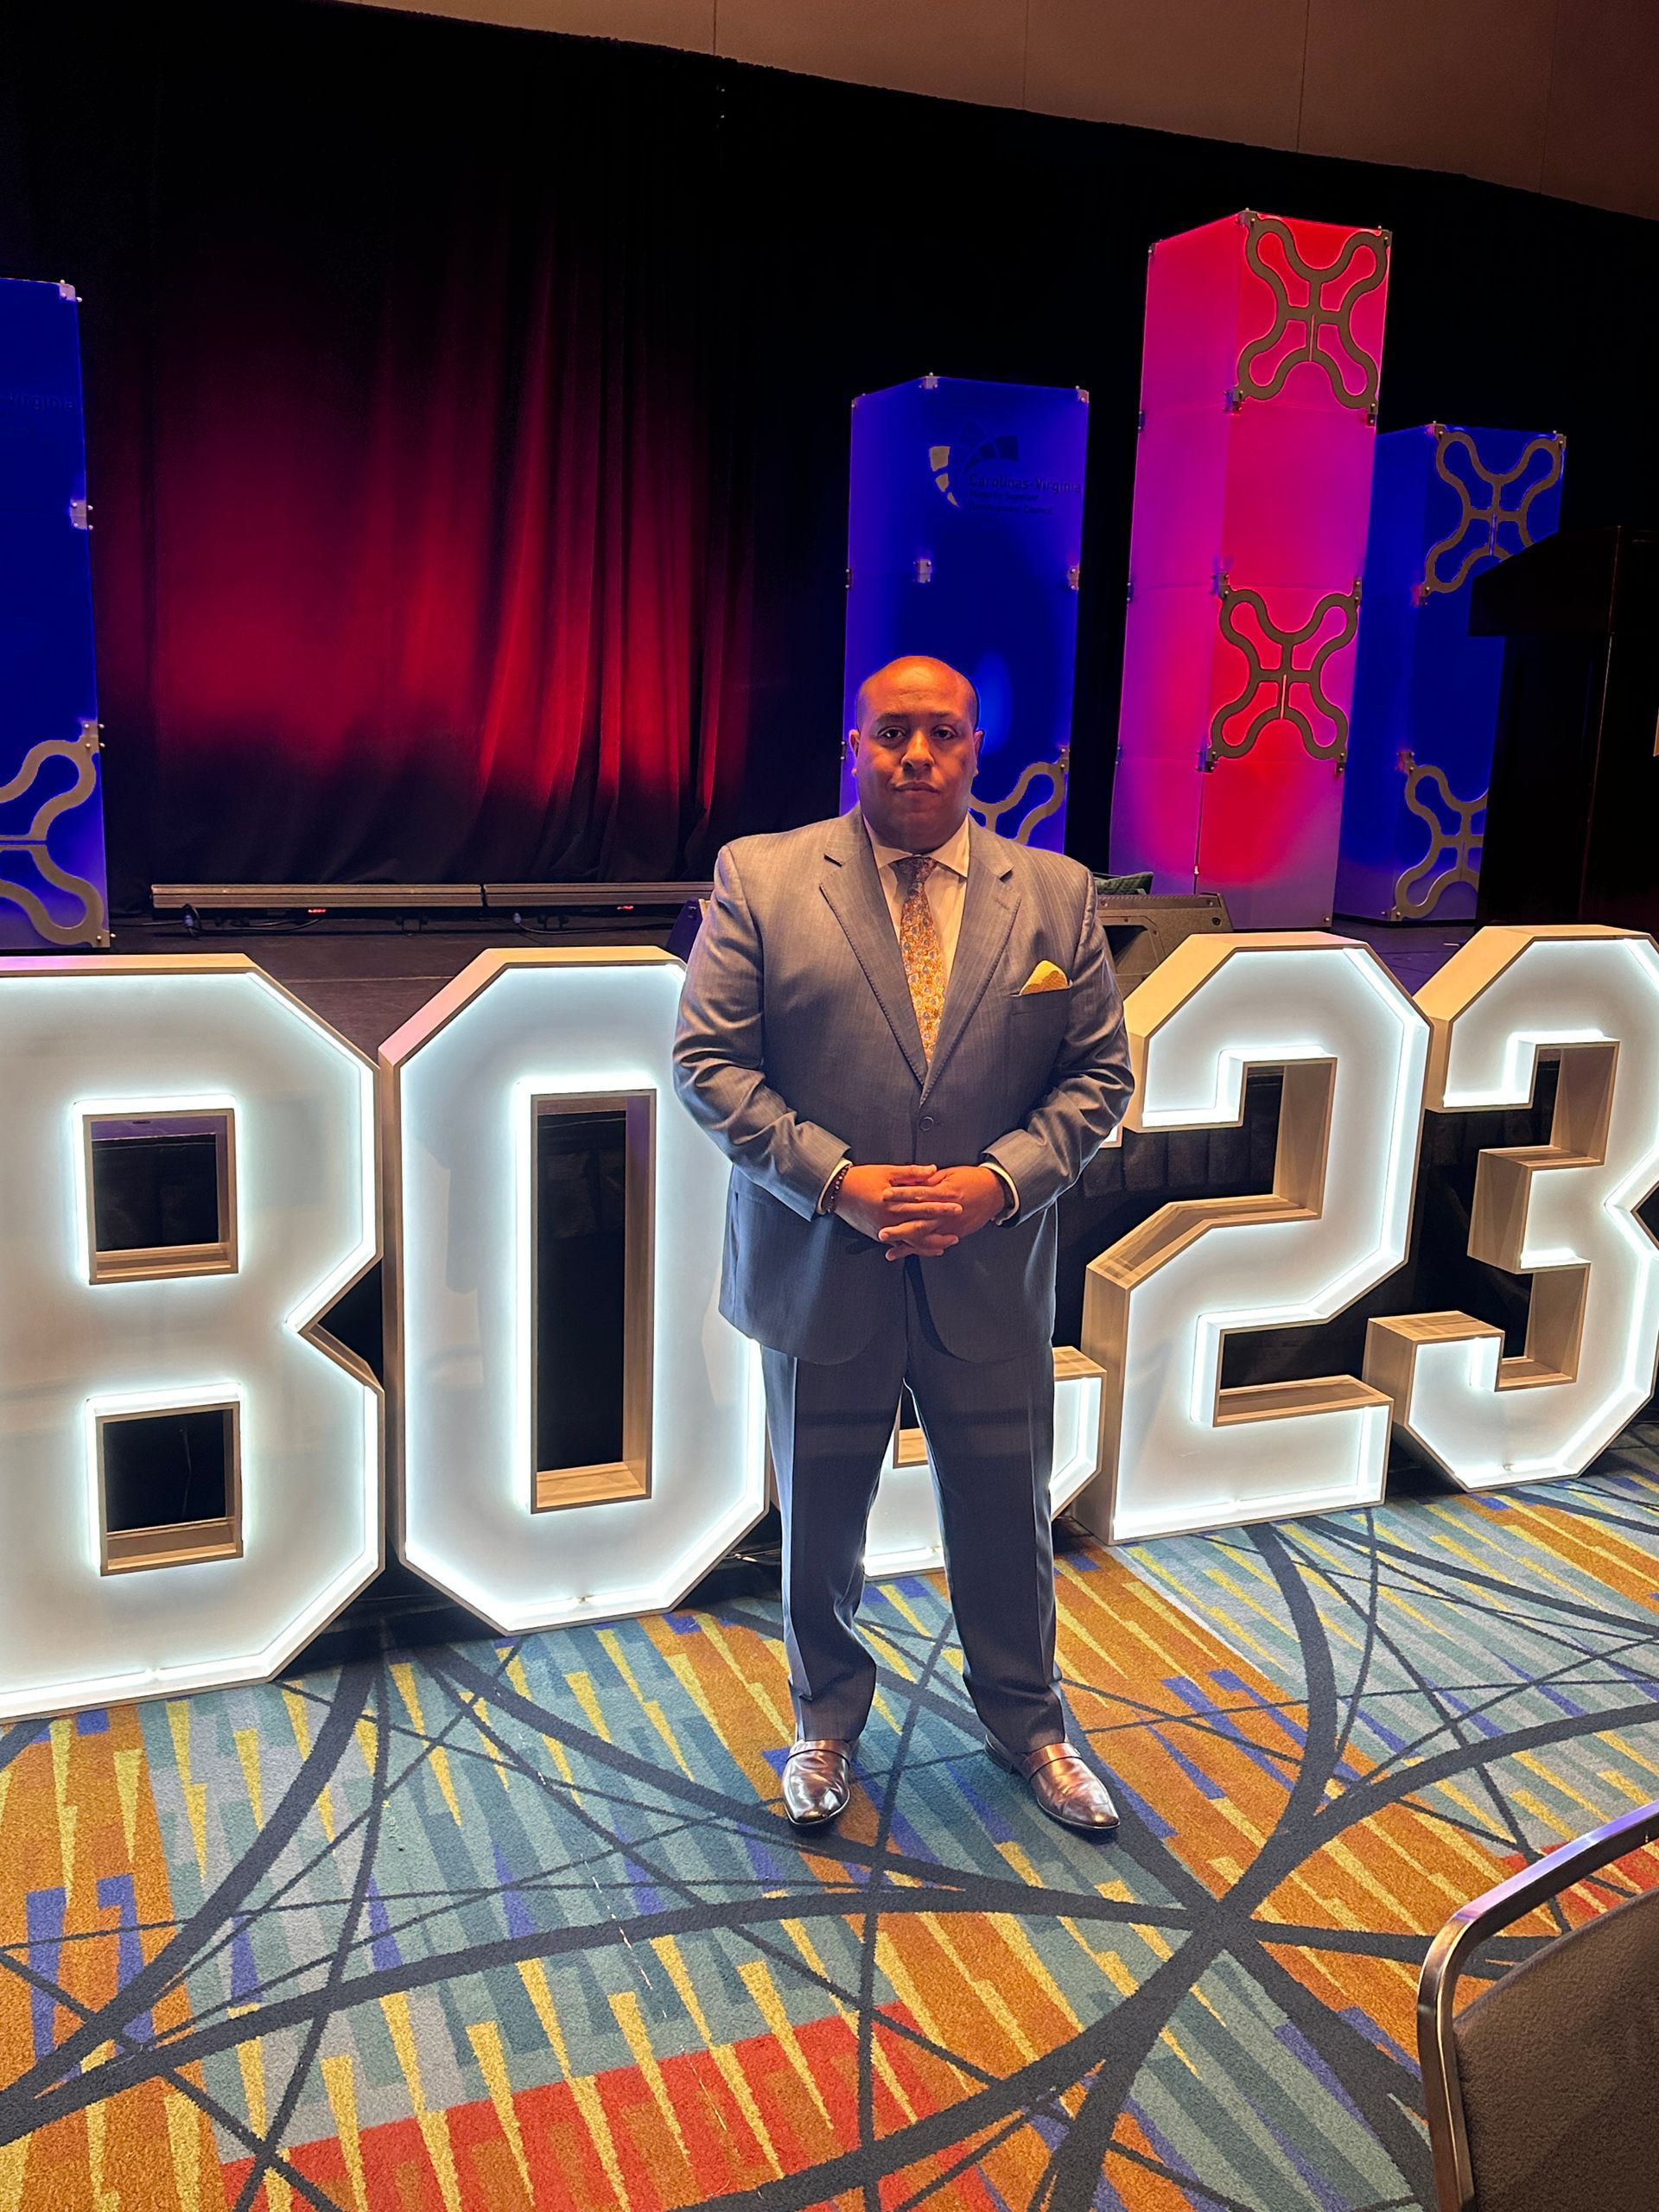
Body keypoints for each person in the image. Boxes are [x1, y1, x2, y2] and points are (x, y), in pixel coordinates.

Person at [672, 656, 1133, 1833]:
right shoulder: (761, 878)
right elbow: (709, 1064)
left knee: (1008, 1516)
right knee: (820, 1525)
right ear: (855, 746)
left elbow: (1099, 1077)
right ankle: (824, 1722)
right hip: (822, 1268)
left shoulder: (1059, 894)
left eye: (941, 734)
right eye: (891, 733)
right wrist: (837, 1181)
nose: (916, 756)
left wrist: (998, 1184)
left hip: (991, 1268)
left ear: (977, 748)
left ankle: (1032, 1725)